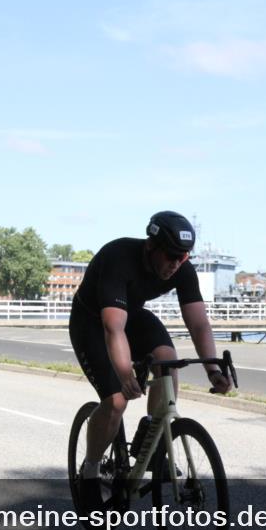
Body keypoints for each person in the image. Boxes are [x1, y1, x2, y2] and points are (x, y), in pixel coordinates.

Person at [68, 211, 232, 512]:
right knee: (116, 401)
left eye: (182, 258)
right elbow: (112, 327)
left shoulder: (182, 267)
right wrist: (124, 372)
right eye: (170, 256)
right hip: (92, 322)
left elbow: (198, 324)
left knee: (166, 359)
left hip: (131, 316)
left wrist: (212, 370)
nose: (175, 264)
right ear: (150, 246)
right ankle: (90, 470)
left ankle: (151, 433)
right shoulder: (119, 258)